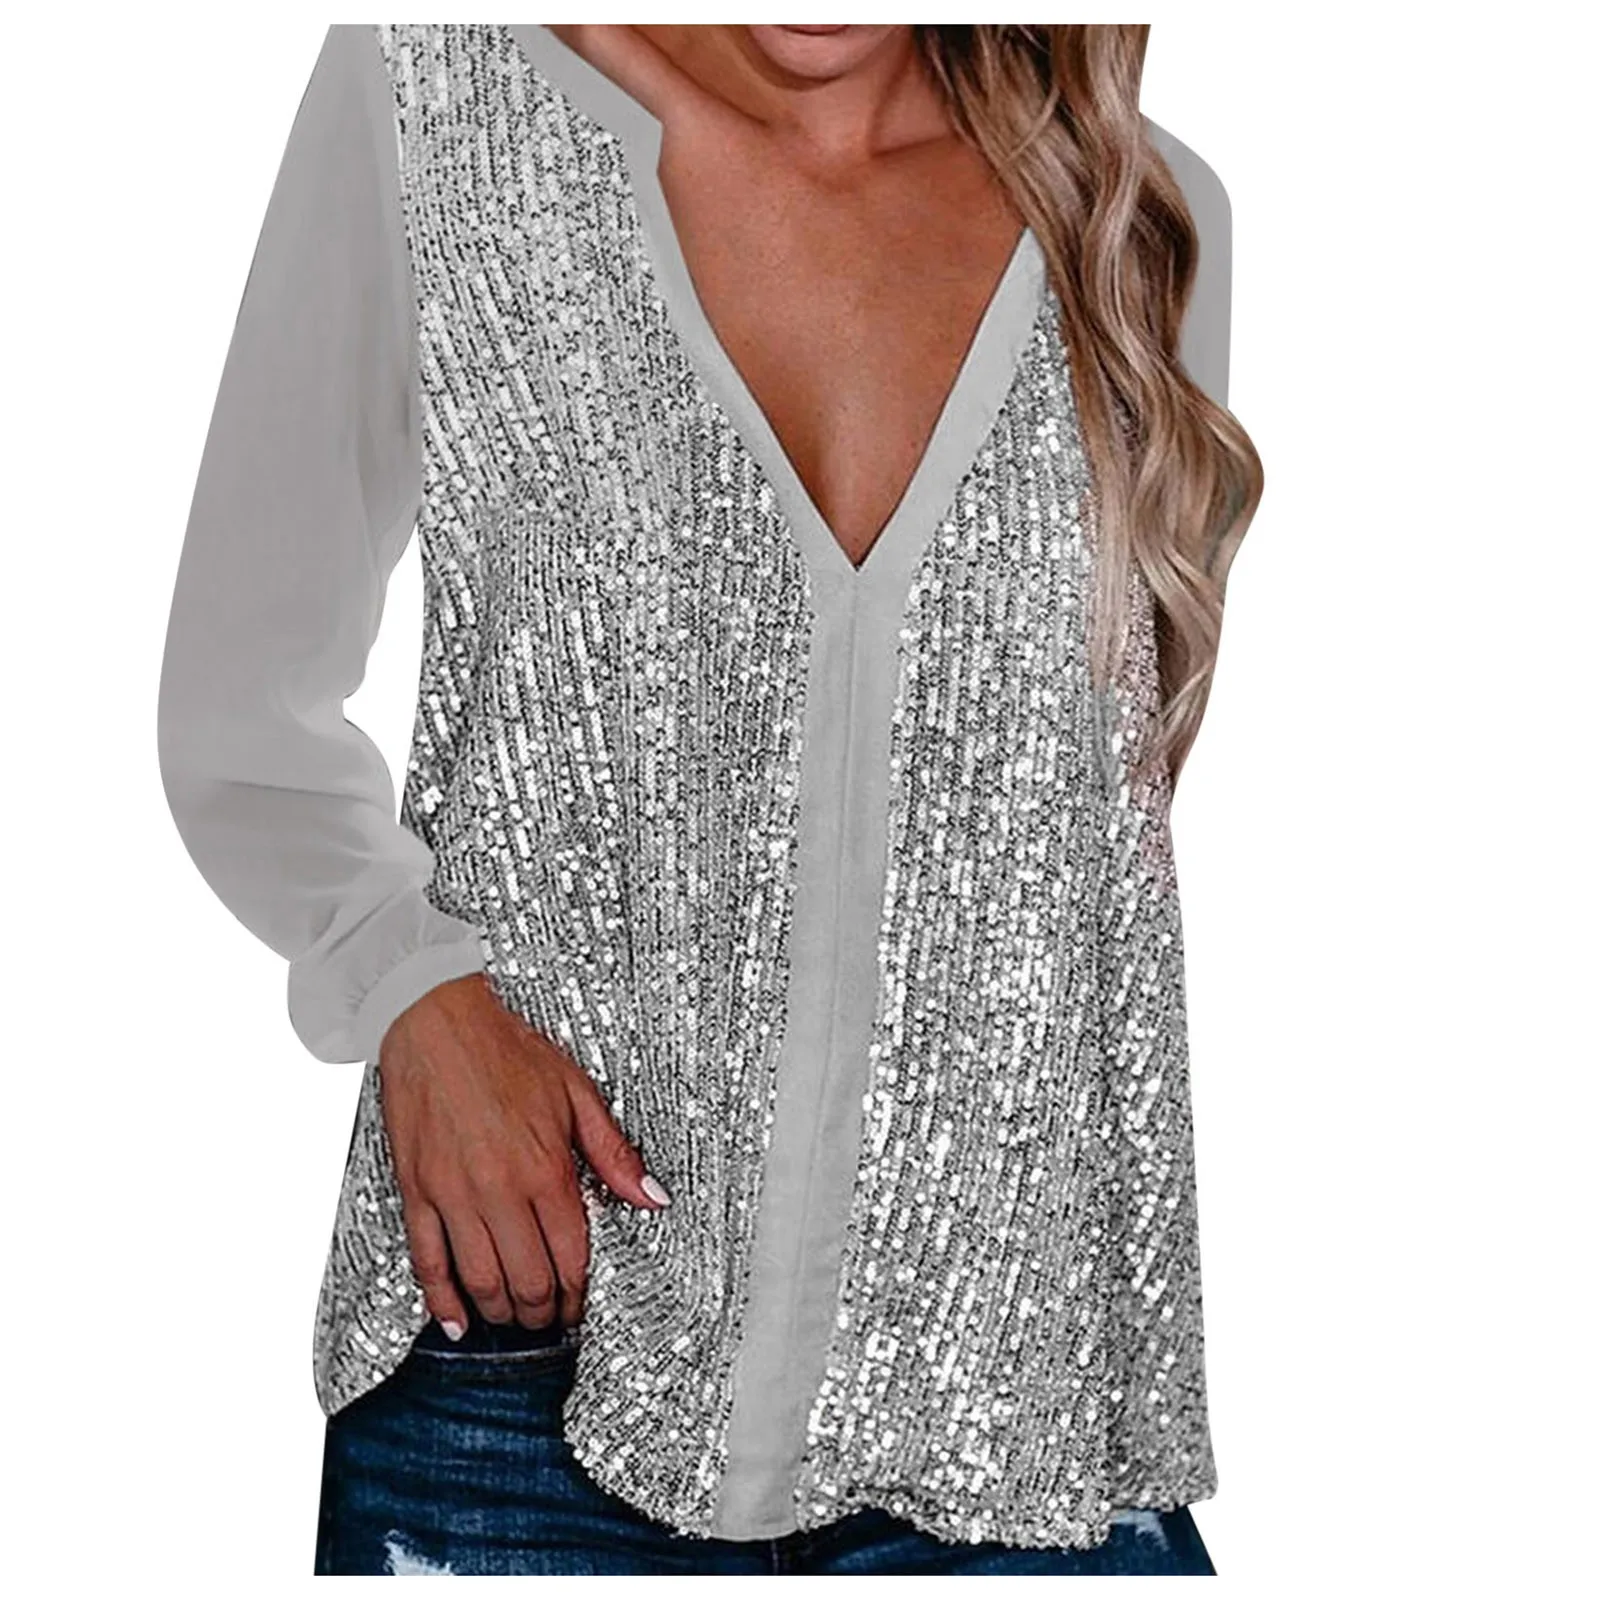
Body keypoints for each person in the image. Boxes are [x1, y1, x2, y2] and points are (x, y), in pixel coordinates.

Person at [157, 21, 1262, 1577]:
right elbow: (239, 698)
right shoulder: (439, 101)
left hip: (1015, 1430)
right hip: (519, 1385)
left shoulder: (1134, 225)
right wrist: (413, 994)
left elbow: (1059, 861)